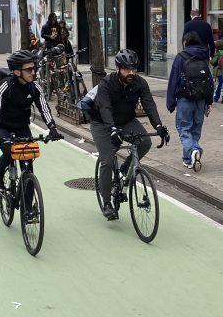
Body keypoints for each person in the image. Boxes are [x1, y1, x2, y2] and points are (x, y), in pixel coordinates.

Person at [89, 49, 169, 220]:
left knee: (145, 142)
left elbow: (149, 104)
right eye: (127, 69)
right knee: (108, 161)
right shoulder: (106, 83)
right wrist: (111, 129)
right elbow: (105, 108)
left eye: (134, 69)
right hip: (102, 123)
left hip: (126, 121)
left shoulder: (140, 83)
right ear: (118, 68)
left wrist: (159, 125)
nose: (131, 73)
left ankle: (125, 168)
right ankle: (107, 203)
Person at [0, 50, 62, 197]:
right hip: (2, 128)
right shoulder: (5, 86)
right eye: (28, 69)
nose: (33, 72)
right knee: (11, 153)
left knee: (28, 162)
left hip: (22, 128)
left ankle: (29, 209)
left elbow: (44, 109)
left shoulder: (34, 87)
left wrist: (52, 128)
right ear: (16, 71)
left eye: (34, 68)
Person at [167, 31, 213, 170]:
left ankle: (194, 150)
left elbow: (173, 80)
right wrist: (209, 101)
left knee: (183, 128)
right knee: (195, 130)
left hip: (184, 98)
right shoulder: (204, 56)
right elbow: (209, 81)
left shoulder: (180, 57)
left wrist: (171, 103)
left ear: (185, 42)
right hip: (201, 100)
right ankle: (188, 159)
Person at [212, 39, 223, 104]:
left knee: (219, 84)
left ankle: (216, 97)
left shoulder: (217, 54)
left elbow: (213, 62)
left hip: (219, 72)